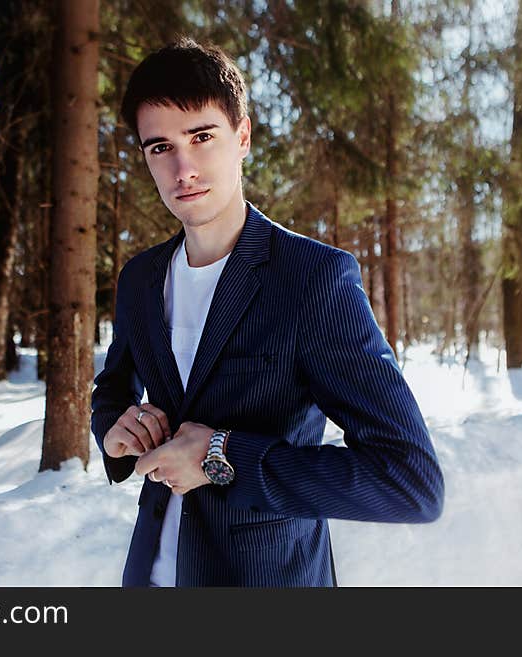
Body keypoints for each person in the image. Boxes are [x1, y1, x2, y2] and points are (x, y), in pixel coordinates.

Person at [91, 37, 444, 587]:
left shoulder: (312, 280)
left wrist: (219, 454)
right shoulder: (139, 278)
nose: (183, 167)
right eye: (159, 147)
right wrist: (115, 432)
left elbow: (408, 481)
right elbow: (112, 390)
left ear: (243, 136)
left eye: (201, 137)